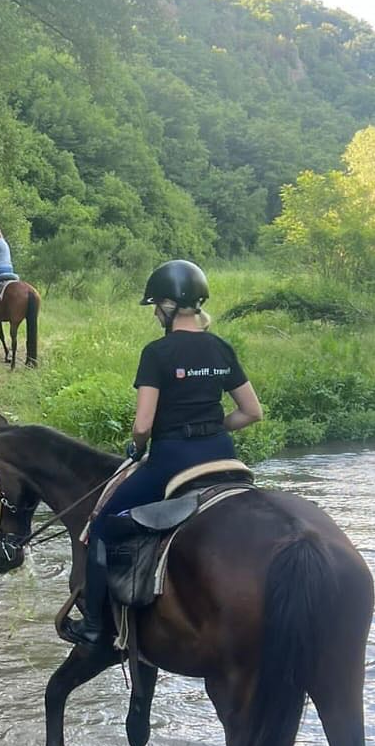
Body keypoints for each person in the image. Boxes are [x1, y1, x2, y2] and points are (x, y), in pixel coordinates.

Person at [60, 259, 264, 647]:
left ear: (170, 305)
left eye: (157, 305)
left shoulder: (157, 353)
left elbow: (142, 426)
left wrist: (137, 449)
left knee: (102, 525)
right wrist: (214, 427)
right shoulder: (221, 348)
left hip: (172, 461)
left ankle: (96, 628)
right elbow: (252, 411)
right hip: (224, 457)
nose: (155, 313)